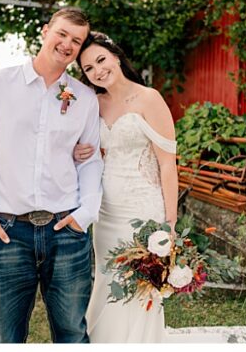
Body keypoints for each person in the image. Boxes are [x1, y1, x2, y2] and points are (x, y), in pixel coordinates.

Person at [0, 7, 102, 343]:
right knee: (7, 335)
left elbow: (90, 160)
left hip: (66, 229)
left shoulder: (83, 98)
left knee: (72, 331)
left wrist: (84, 215)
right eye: (62, 34)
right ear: (45, 32)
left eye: (76, 40)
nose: (67, 44)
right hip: (8, 230)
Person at [74, 33, 177, 343]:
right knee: (107, 282)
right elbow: (92, 152)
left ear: (116, 57)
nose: (98, 70)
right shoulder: (93, 103)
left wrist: (170, 223)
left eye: (101, 60)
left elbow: (167, 164)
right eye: (89, 68)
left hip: (143, 208)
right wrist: (78, 152)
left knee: (140, 286)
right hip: (107, 212)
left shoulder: (149, 98)